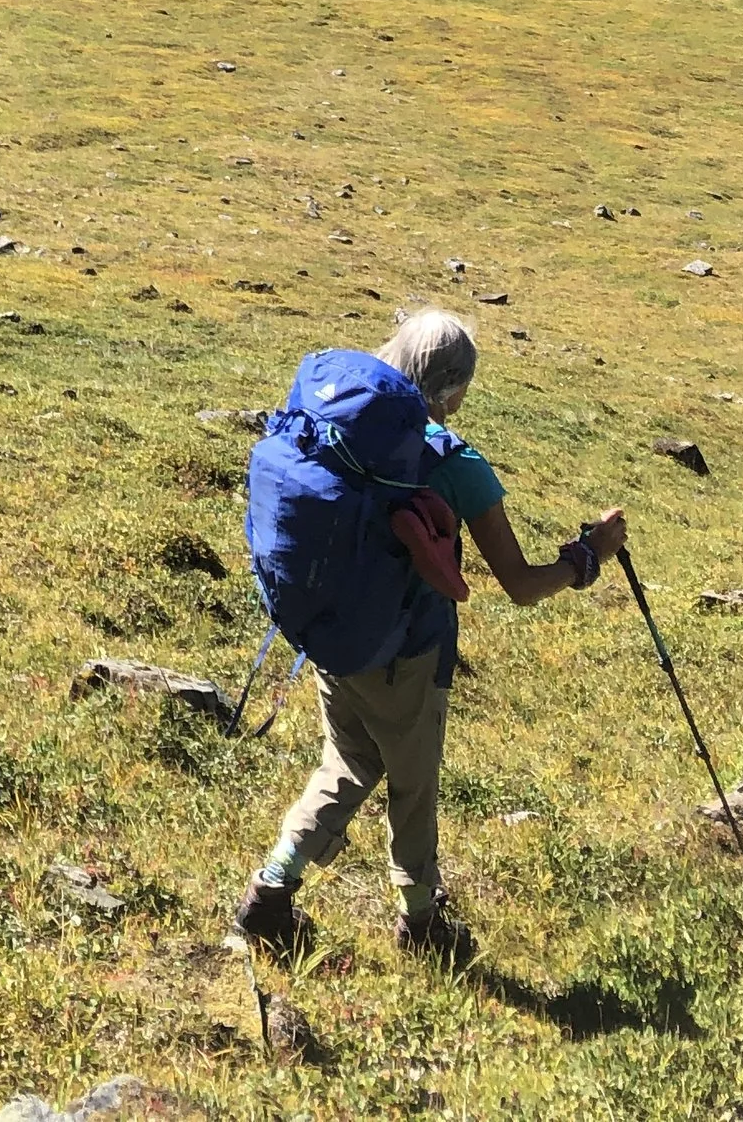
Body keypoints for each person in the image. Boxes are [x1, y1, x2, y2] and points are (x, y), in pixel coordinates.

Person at [233, 307, 625, 964]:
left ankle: (271, 889)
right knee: (413, 788)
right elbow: (523, 584)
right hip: (404, 649)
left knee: (352, 758)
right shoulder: (451, 459)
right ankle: (422, 923)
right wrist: (587, 557)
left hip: (330, 630)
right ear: (449, 388)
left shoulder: (339, 425)